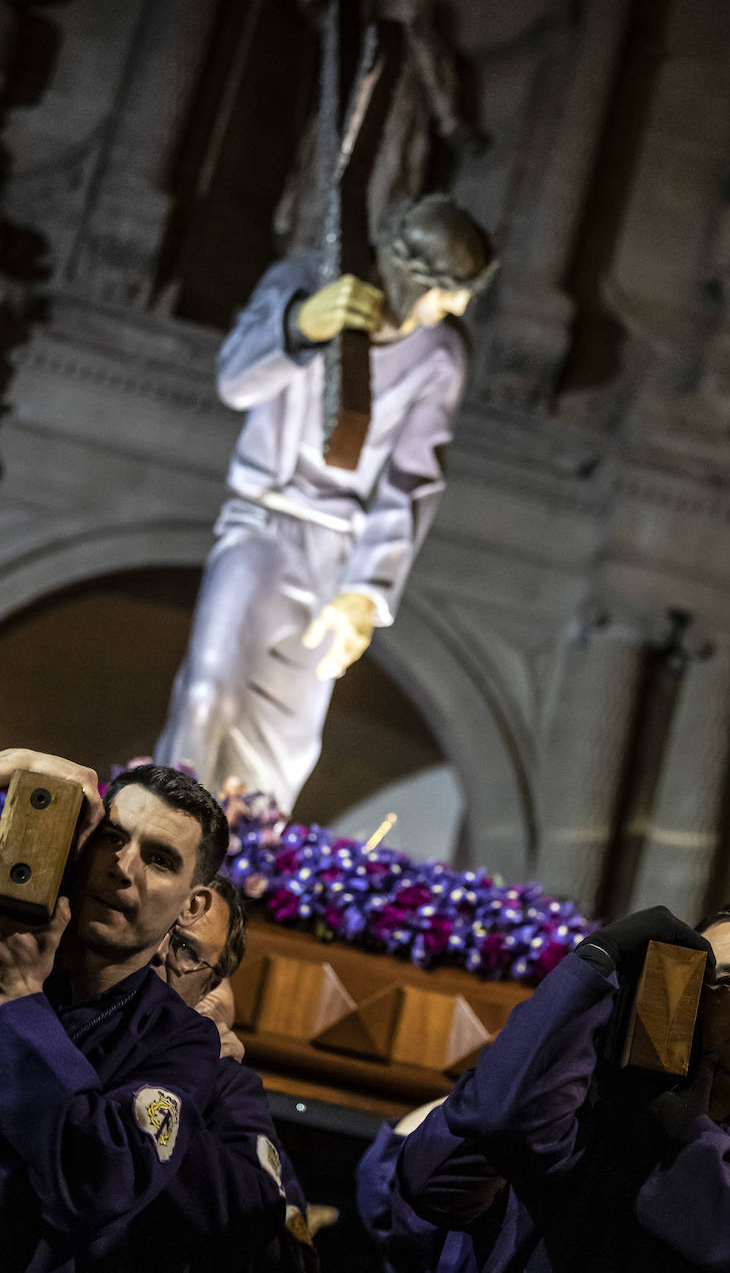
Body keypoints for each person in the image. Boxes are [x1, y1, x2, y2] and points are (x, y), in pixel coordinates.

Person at [155, 193, 497, 811]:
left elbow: (412, 478)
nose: (459, 306)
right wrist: (300, 325)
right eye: (449, 288)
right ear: (409, 272)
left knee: (286, 743)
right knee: (210, 692)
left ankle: (242, 864)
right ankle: (162, 828)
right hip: (264, 521)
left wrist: (366, 592)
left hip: (339, 550)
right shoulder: (303, 283)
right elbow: (235, 381)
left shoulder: (440, 353)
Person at [359, 903, 730, 1271]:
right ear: (684, 1004)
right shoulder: (577, 1116)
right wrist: (586, 974)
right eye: (727, 980)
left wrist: (686, 1146)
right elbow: (448, 1168)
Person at [0, 759, 241, 1271]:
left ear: (191, 906)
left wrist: (19, 998)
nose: (121, 867)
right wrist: (13, 765)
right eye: (112, 838)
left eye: (158, 859)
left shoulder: (182, 1042)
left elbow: (98, 1184)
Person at [104, 875, 317, 1272]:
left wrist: (184, 1069)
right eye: (154, 927)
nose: (158, 952)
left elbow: (289, 1257)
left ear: (211, 985)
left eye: (184, 947)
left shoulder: (226, 1084)